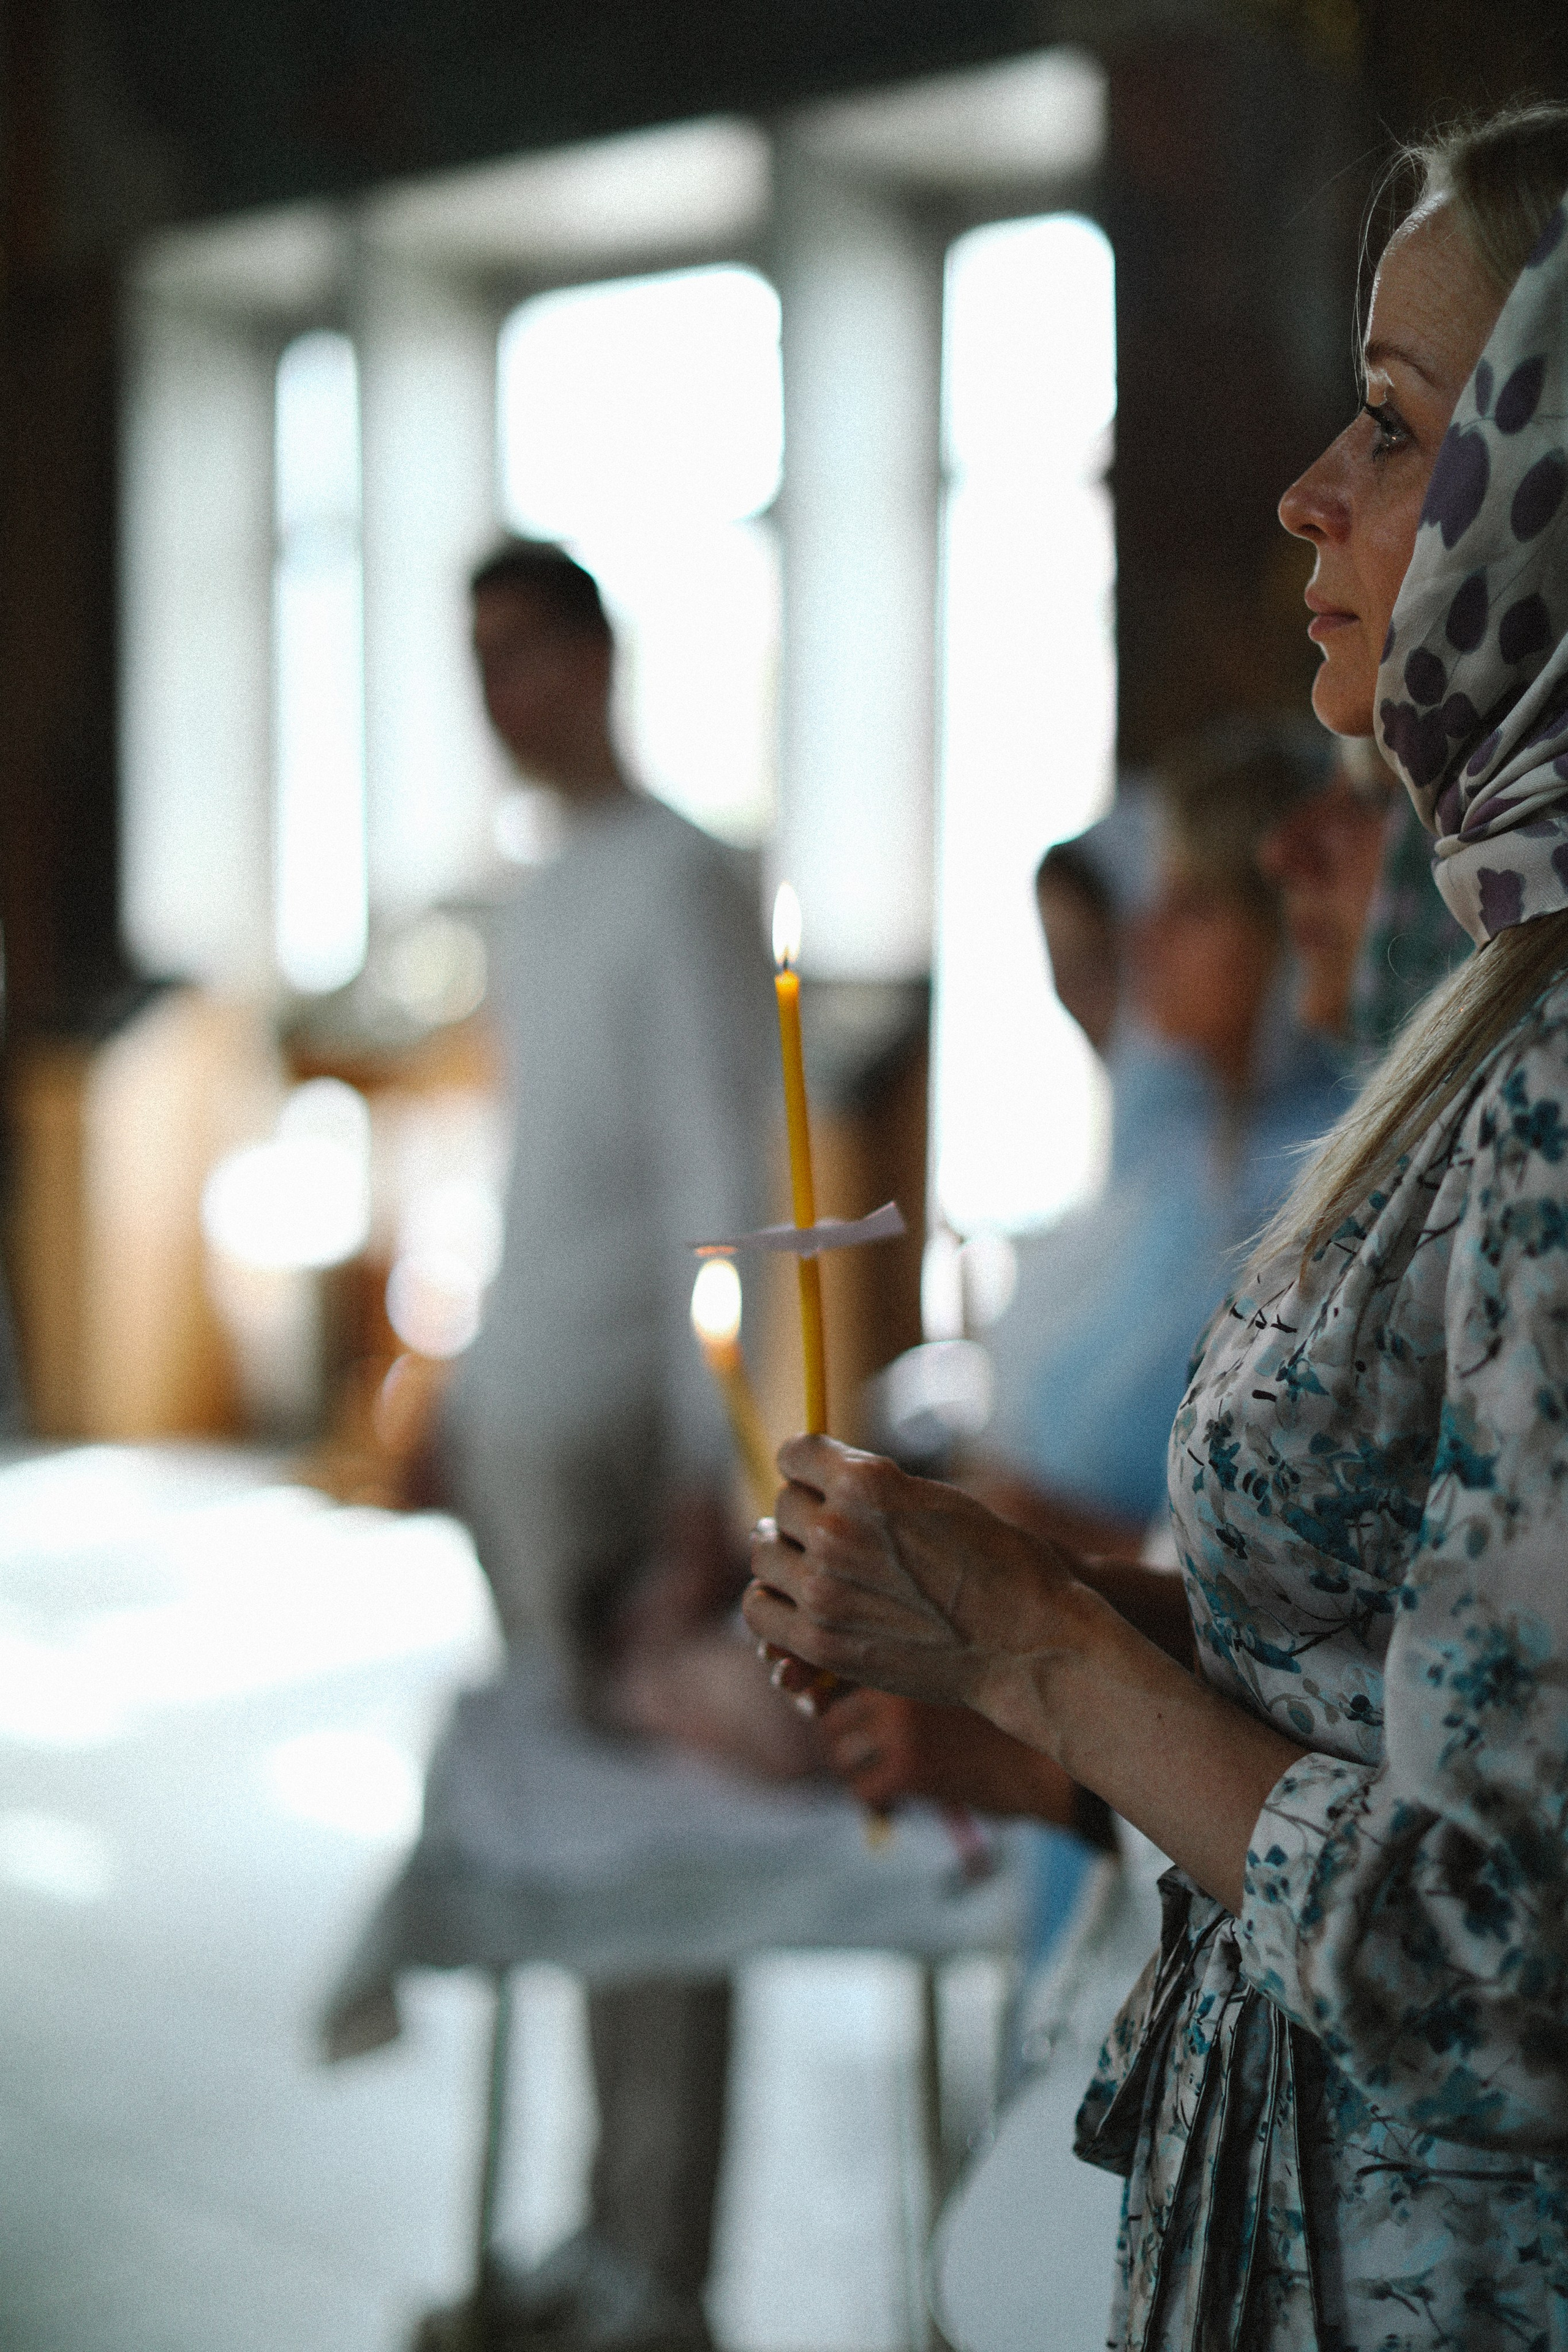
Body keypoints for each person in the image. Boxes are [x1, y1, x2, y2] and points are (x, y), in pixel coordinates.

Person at [747, 104, 1568, 2345]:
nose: (1310, 490)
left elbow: (1508, 1967)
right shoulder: (1497, 1005)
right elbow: (1403, 1675)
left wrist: (1041, 1647)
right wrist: (1025, 1634)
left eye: (1396, 428)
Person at [434, 539, 788, 2350]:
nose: (500, 690)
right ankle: (601, 2223)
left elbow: (727, 1196)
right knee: (584, 1844)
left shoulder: (680, 879)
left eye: (523, 651)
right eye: (474, 656)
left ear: (594, 658)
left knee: (670, 1846)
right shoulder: (546, 883)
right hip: (533, 1421)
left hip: (633, 1452)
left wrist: (707, 1479)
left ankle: (665, 2267)